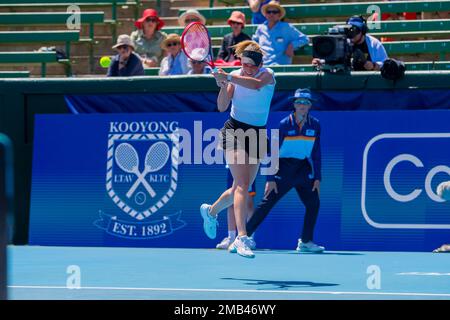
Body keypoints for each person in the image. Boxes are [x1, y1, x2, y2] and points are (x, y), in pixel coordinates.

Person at [200, 40, 276, 258]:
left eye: (252, 66)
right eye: (245, 64)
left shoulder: (267, 75)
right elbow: (222, 105)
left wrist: (229, 77)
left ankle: (210, 211)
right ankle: (241, 237)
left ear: (259, 65)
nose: (248, 68)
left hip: (258, 134)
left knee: (238, 189)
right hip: (234, 131)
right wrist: (223, 85)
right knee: (242, 185)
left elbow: (254, 85)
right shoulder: (235, 74)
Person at [245, 89, 325, 253]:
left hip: (303, 168)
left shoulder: (315, 124)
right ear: (294, 105)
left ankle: (305, 241)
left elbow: (316, 152)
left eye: (306, 103)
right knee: (267, 203)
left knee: (314, 203)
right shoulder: (284, 124)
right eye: (299, 102)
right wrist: (270, 178)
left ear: (310, 106)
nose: (302, 105)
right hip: (283, 168)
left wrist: (317, 176)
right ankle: (244, 237)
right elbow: (272, 151)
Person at [252, 1, 309, 65]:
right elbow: (254, 42)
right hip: (263, 66)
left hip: (281, 66)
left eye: (274, 12)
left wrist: (292, 45)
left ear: (279, 15)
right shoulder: (260, 28)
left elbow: (305, 39)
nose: (271, 14)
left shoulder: (286, 27)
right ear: (265, 14)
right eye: (269, 12)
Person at [215, 166, 256, 250]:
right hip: (234, 164)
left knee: (248, 201)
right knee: (231, 200)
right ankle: (231, 238)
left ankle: (249, 239)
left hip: (249, 162)